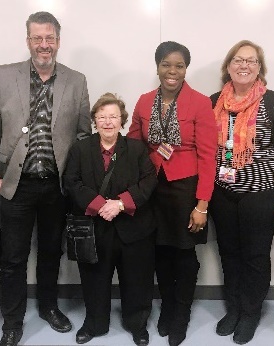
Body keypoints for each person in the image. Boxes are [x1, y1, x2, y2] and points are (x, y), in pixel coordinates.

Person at [0, 11, 91, 346]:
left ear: (58, 41)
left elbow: (83, 134)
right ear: (28, 40)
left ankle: (48, 307)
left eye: (50, 38)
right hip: (15, 183)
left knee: (50, 252)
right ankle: (13, 322)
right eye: (37, 38)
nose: (44, 45)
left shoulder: (77, 80)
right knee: (13, 257)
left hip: (56, 186)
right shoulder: (3, 76)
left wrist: (76, 183)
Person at [128, 41, 216, 346]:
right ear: (157, 66)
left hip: (185, 188)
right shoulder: (143, 101)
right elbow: (133, 146)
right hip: (152, 187)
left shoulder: (200, 103)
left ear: (186, 69)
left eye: (179, 65)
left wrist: (202, 204)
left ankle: (181, 314)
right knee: (159, 252)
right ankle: (166, 307)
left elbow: (208, 156)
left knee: (183, 254)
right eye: (166, 64)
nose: (172, 71)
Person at [209, 40, 274, 344]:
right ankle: (233, 309)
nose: (244, 65)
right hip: (223, 191)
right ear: (228, 66)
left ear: (260, 68)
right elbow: (209, 150)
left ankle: (250, 312)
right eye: (238, 60)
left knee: (255, 256)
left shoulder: (273, 102)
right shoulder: (214, 101)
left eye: (251, 61)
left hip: (261, 191)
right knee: (229, 254)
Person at [63, 93, 157, 345]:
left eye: (113, 116)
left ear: (122, 120)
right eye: (102, 116)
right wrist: (99, 205)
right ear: (94, 120)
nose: (107, 122)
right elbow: (71, 182)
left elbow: (149, 181)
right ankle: (95, 323)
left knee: (137, 279)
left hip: (133, 228)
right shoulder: (80, 148)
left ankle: (137, 324)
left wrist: (121, 203)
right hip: (94, 228)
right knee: (94, 279)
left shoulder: (136, 149)